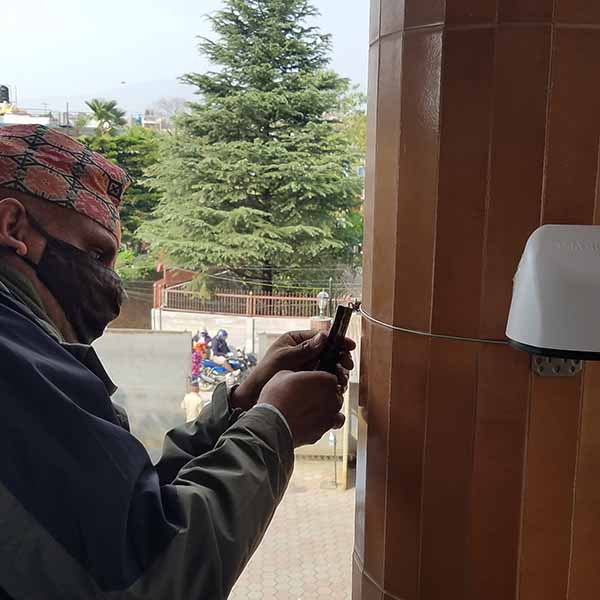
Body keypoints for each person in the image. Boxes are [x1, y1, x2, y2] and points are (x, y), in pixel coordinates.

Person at [0, 124, 355, 600]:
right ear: (13, 227)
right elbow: (157, 575)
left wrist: (241, 405)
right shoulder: (17, 366)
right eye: (97, 253)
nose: (111, 284)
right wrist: (275, 427)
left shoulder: (29, 350)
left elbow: (124, 510)